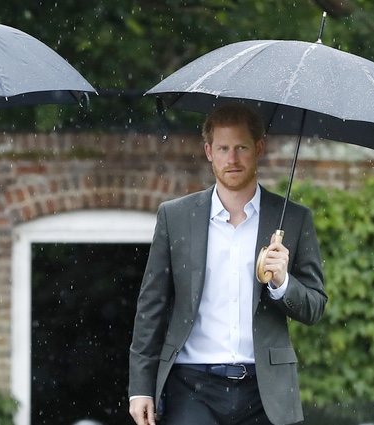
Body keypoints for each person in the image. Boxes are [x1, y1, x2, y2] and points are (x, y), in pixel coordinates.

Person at [128, 103, 327, 425]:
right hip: (190, 384)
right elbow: (151, 305)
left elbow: (314, 307)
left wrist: (282, 282)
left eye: (241, 148)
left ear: (259, 148)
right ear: (208, 151)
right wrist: (140, 388)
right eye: (223, 148)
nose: (231, 159)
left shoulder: (293, 218)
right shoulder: (176, 216)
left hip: (265, 390)